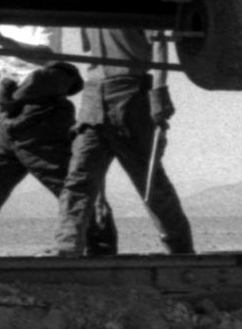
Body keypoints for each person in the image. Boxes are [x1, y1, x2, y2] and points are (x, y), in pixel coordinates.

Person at [0, 43, 117, 258]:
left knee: (74, 188)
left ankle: (101, 253)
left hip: (41, 115)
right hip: (7, 112)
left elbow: (44, 49)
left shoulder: (38, 32)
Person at [54, 26, 193, 256]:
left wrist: (159, 93)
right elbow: (91, 49)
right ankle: (66, 248)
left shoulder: (133, 7)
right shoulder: (86, 14)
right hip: (94, 96)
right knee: (79, 179)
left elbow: (159, 43)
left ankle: (181, 251)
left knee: (150, 180)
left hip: (130, 93)